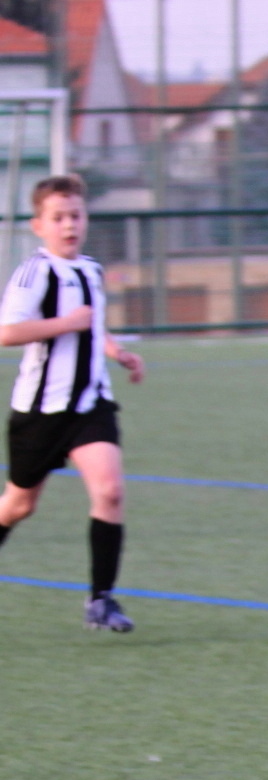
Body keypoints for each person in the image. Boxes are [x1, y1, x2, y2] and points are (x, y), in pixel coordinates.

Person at [0, 173, 144, 632]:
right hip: (40, 414)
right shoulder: (34, 273)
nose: (69, 225)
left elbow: (93, 325)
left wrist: (117, 352)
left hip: (90, 406)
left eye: (76, 216)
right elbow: (7, 332)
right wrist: (65, 323)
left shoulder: (92, 269)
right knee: (18, 506)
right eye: (58, 217)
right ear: (38, 225)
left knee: (110, 491)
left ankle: (101, 600)